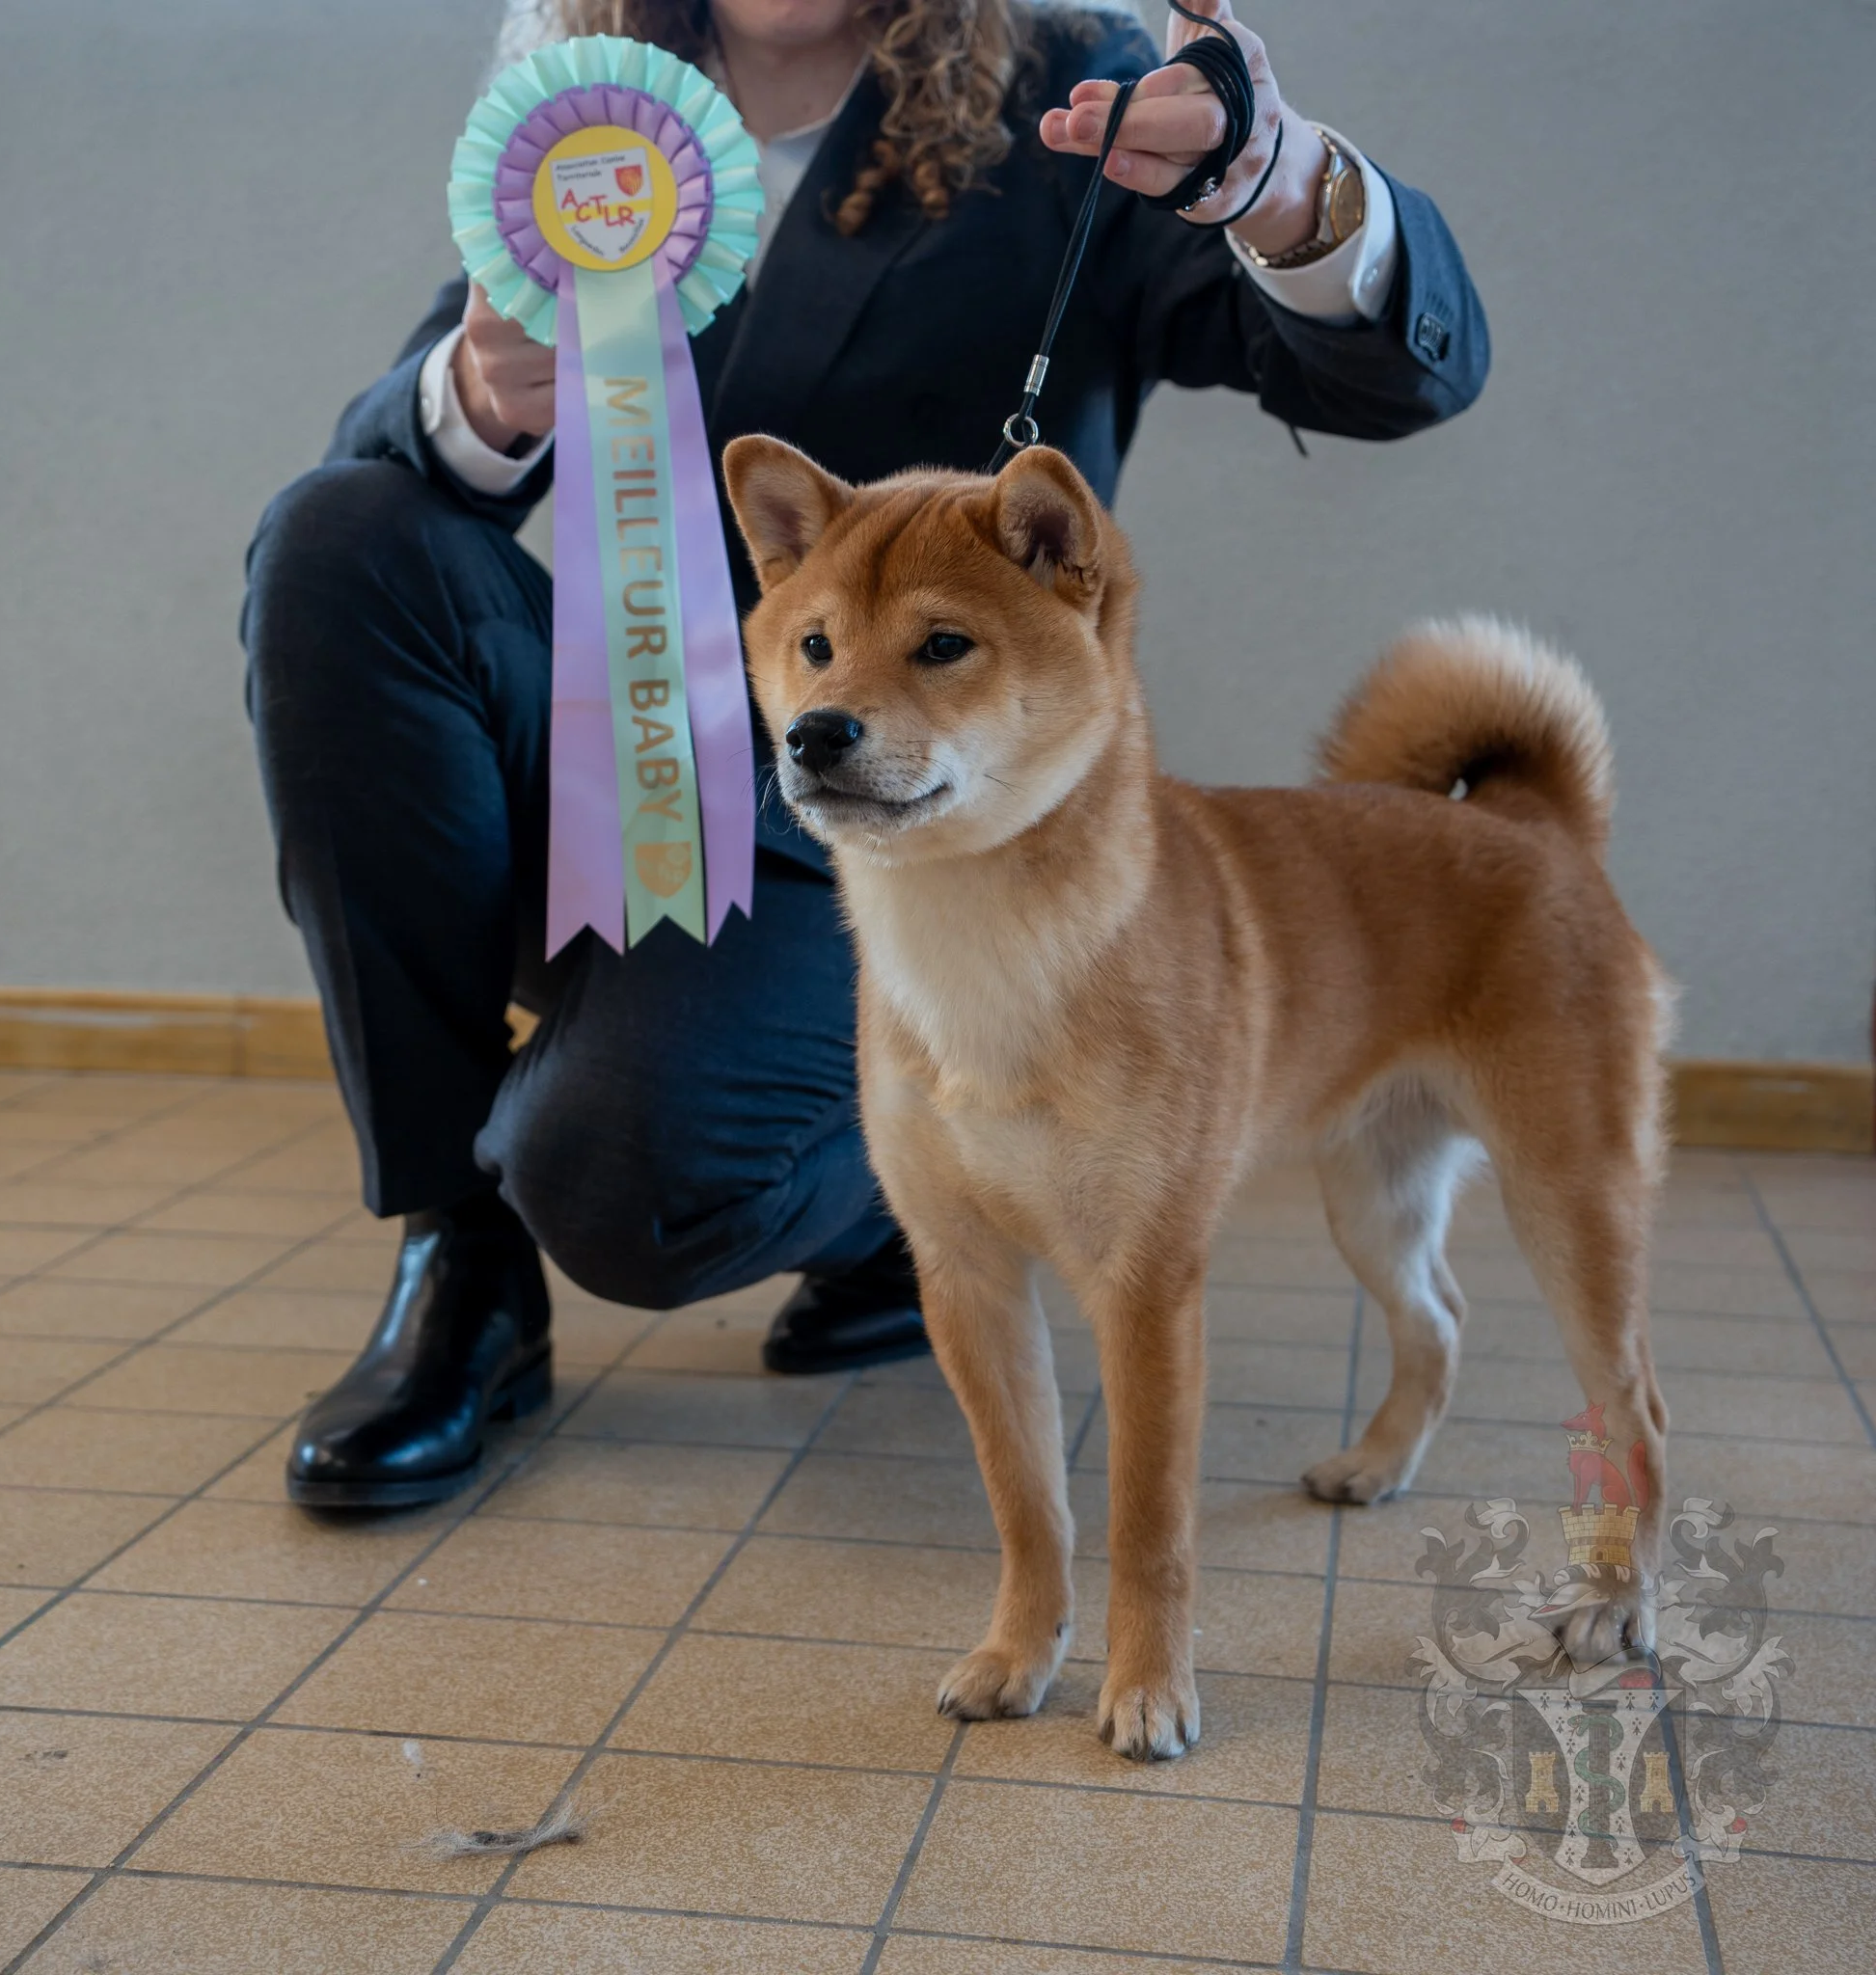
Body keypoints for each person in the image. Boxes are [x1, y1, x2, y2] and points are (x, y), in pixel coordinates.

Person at [245, 0, 1487, 1508]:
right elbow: (385, 471)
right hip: (626, 768)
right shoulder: (601, 103)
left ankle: (908, 1209)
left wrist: (1278, 182)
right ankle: (458, 1251)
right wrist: (473, 395)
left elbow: (1399, 377)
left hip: (896, 844)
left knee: (626, 1184)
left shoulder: (1066, 84)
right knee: (338, 537)